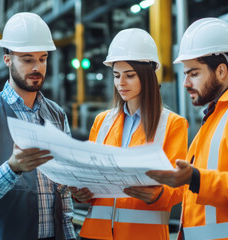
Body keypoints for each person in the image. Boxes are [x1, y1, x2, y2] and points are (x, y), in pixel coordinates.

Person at [146, 18, 228, 240]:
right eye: (186, 74)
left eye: (194, 73)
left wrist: (195, 178)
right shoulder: (215, 117)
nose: (185, 83)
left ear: (221, 71)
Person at [0, 12, 76, 240]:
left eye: (43, 59)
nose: (37, 68)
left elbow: (62, 192)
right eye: (28, 59)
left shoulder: (57, 115)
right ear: (8, 60)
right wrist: (12, 168)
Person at [70, 28, 188, 240]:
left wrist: (158, 195)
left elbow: (179, 186)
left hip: (143, 235)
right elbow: (91, 177)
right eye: (116, 76)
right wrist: (80, 194)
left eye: (130, 75)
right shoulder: (102, 122)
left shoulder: (172, 124)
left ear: (148, 75)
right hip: (95, 234)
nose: (121, 83)